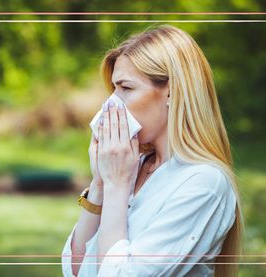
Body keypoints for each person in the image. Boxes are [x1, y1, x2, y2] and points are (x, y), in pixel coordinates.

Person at [61, 24, 244, 277]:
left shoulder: (204, 183)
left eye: (126, 88)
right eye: (113, 89)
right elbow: (75, 270)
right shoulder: (132, 167)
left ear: (172, 92)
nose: (111, 103)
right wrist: (100, 184)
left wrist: (116, 186)